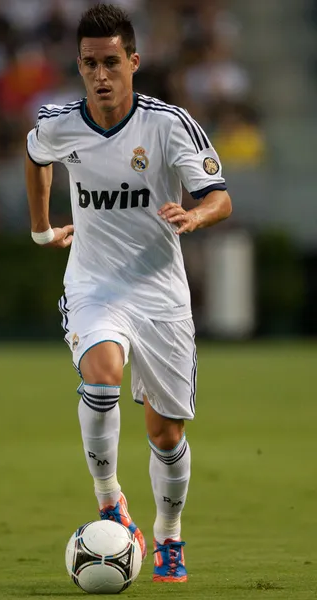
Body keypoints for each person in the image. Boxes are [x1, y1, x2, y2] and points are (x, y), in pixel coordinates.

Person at [25, 3, 232, 583]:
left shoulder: (169, 124)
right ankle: (110, 497)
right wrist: (42, 229)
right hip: (94, 283)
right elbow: (36, 154)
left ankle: (168, 535)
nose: (101, 74)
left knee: (166, 434)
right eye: (90, 63)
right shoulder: (60, 123)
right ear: (79, 64)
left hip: (160, 293)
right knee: (101, 373)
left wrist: (195, 217)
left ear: (133, 61)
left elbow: (220, 196)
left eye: (111, 61)